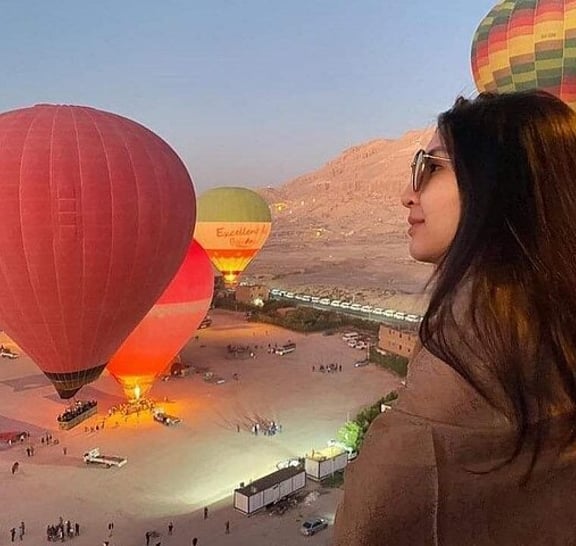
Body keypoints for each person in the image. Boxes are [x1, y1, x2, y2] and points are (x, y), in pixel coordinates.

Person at [333, 90, 576, 545]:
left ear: (502, 183)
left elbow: (372, 521)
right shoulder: (549, 334)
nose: (407, 195)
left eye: (430, 167)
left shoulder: (469, 355)